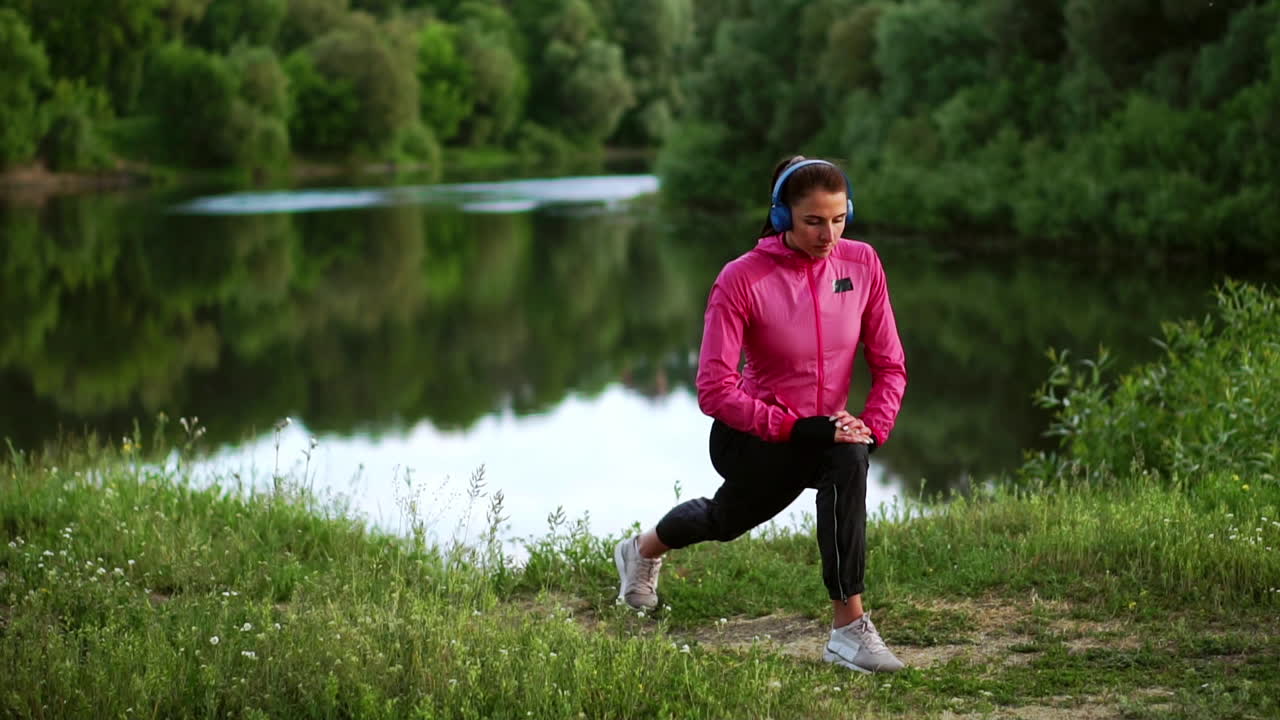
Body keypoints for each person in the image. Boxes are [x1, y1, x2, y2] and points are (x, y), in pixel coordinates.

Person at [614, 155, 908, 674]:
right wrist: (793, 426)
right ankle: (642, 550)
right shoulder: (741, 279)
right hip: (751, 435)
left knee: (850, 457)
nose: (828, 235)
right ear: (781, 217)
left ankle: (848, 629)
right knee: (723, 521)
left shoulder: (862, 265)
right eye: (814, 220)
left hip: (824, 435)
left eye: (839, 219)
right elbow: (714, 388)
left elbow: (890, 366)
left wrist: (872, 426)